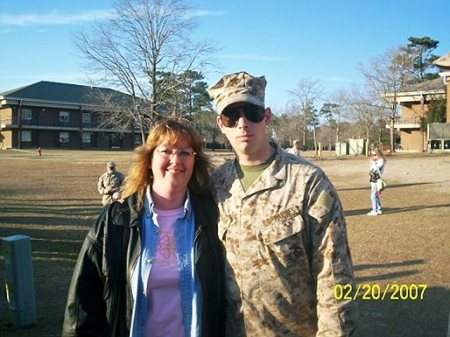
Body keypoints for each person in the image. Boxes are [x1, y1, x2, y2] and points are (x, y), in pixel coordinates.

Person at [208, 71, 357, 337]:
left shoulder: (307, 182)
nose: (243, 124)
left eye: (251, 112)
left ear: (267, 117)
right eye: (232, 116)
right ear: (221, 124)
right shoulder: (216, 185)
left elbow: (334, 275)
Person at [62, 118, 226, 337]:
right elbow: (83, 300)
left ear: (195, 161)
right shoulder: (116, 219)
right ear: (149, 159)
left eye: (185, 153)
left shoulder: (213, 217)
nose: (176, 160)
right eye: (166, 151)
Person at [367, 148, 386, 216]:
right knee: (376, 195)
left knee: (373, 195)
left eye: (374, 155)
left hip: (376, 179)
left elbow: (376, 168)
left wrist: (373, 163)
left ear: (378, 154)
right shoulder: (377, 160)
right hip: (373, 178)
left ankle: (374, 210)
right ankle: (379, 209)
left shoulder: (381, 160)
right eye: (372, 155)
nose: (373, 156)